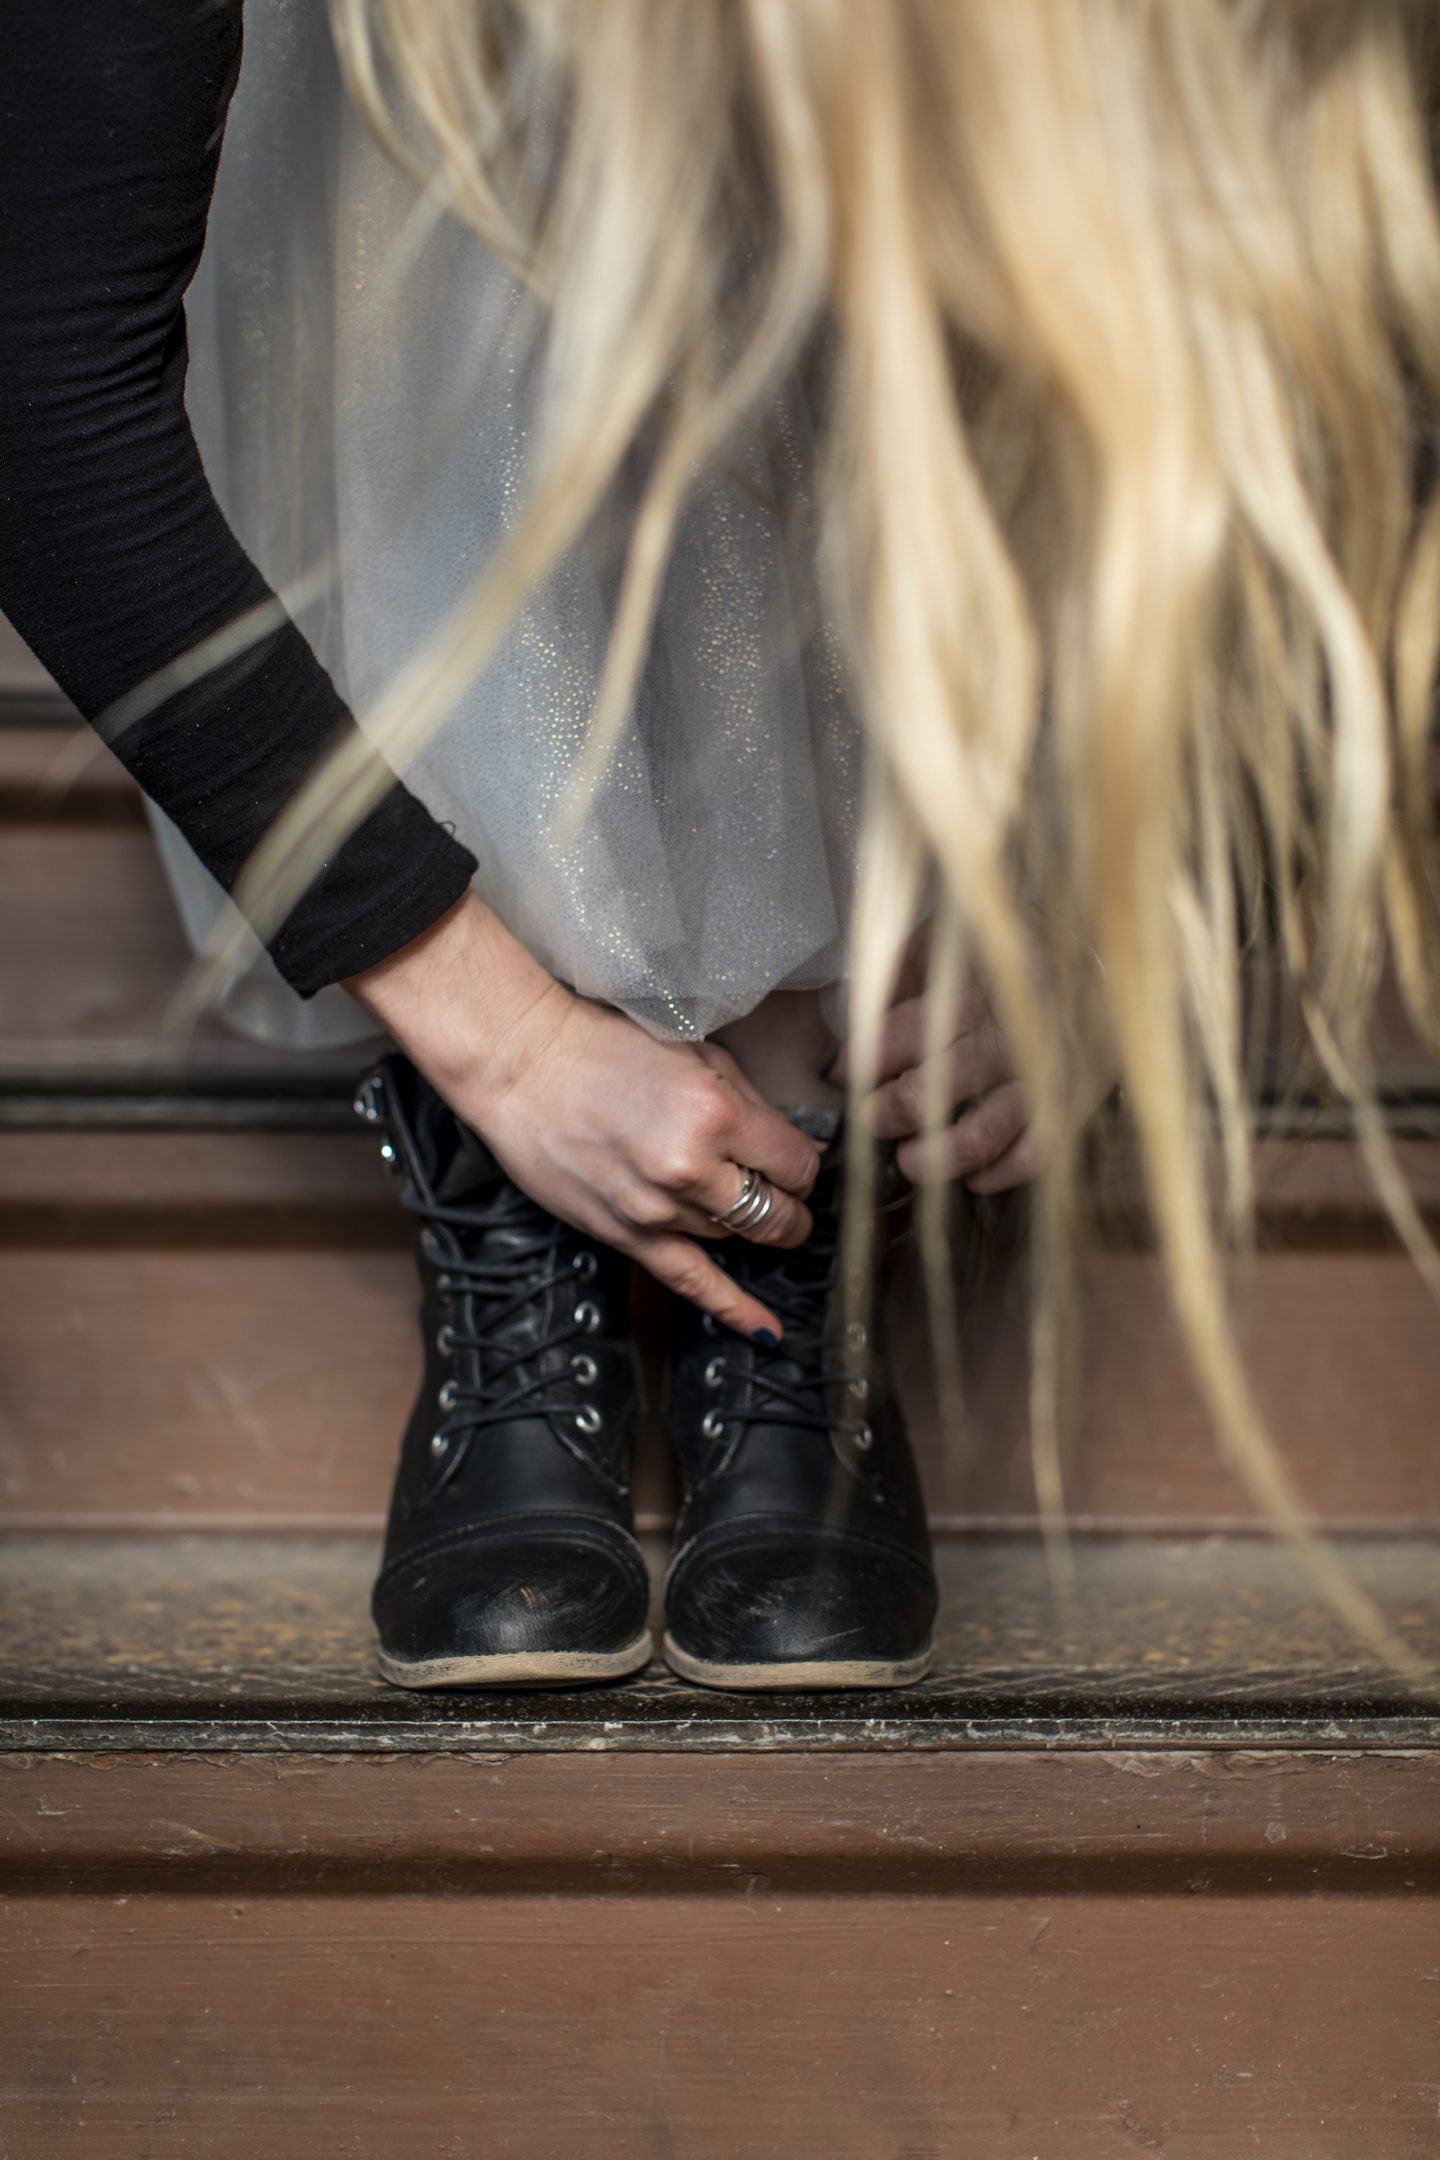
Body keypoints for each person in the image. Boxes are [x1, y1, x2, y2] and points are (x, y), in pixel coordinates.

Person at [2, 0, 1436, 1689]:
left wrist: (1123, 890)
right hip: (393, 201)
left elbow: (1371, 318)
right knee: (495, 213)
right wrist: (510, 1037)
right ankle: (534, 1146)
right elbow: (41, 387)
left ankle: (793, 1108)